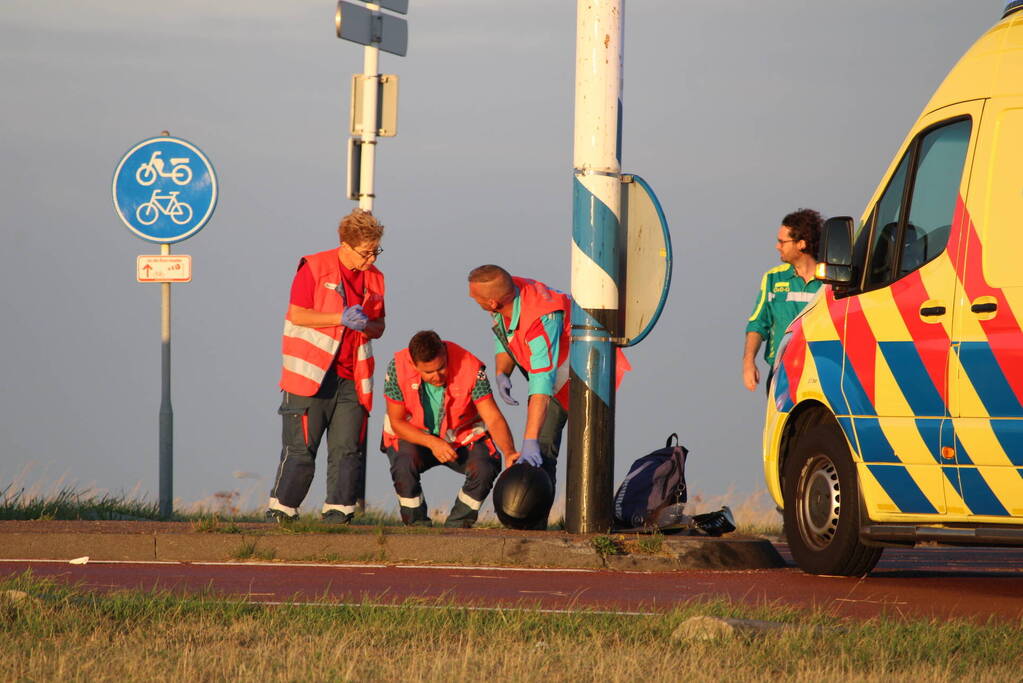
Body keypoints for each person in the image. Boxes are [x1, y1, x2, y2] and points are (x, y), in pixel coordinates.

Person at [267, 209, 386, 523]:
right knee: (301, 450)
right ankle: (281, 514)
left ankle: (338, 516)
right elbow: (298, 315)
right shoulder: (314, 267)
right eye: (366, 253)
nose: (372, 259)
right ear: (344, 245)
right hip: (311, 376)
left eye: (377, 251)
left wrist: (367, 325)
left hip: (354, 378)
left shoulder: (375, 277)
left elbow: (380, 325)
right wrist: (340, 318)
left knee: (347, 451)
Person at [382, 330, 519, 527]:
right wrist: (433, 442)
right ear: (414, 365)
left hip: (461, 440)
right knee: (403, 464)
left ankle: (457, 527)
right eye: (428, 372)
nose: (437, 376)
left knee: (485, 466)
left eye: (442, 368)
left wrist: (509, 451)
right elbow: (397, 422)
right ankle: (416, 528)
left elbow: (493, 417)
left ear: (446, 354)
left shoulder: (472, 368)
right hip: (415, 437)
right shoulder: (397, 367)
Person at [743, 208, 823, 392]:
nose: (777, 246)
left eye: (782, 242)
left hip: (819, 375)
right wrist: (748, 362)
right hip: (781, 374)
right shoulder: (773, 279)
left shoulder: (831, 280)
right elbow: (757, 324)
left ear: (801, 244)